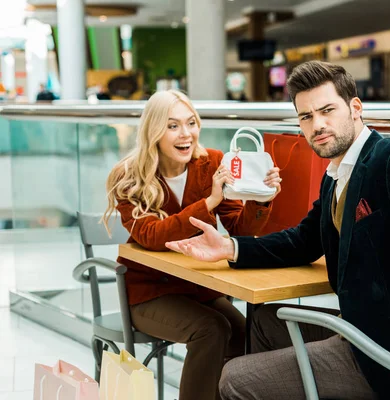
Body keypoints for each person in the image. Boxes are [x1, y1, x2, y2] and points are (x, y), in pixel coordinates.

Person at [166, 61, 390, 400]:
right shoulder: (335, 175)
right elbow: (303, 241)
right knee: (264, 319)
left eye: (327, 110)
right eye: (306, 117)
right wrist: (231, 247)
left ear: (355, 108)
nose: (317, 125)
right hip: (358, 329)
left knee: (234, 378)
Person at [101, 89, 282, 400]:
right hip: (149, 293)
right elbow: (153, 236)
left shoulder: (211, 161)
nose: (186, 134)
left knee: (249, 337)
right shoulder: (129, 176)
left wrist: (260, 199)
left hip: (199, 289)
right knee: (211, 330)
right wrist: (210, 200)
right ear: (153, 131)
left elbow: (240, 227)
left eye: (191, 123)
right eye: (172, 126)